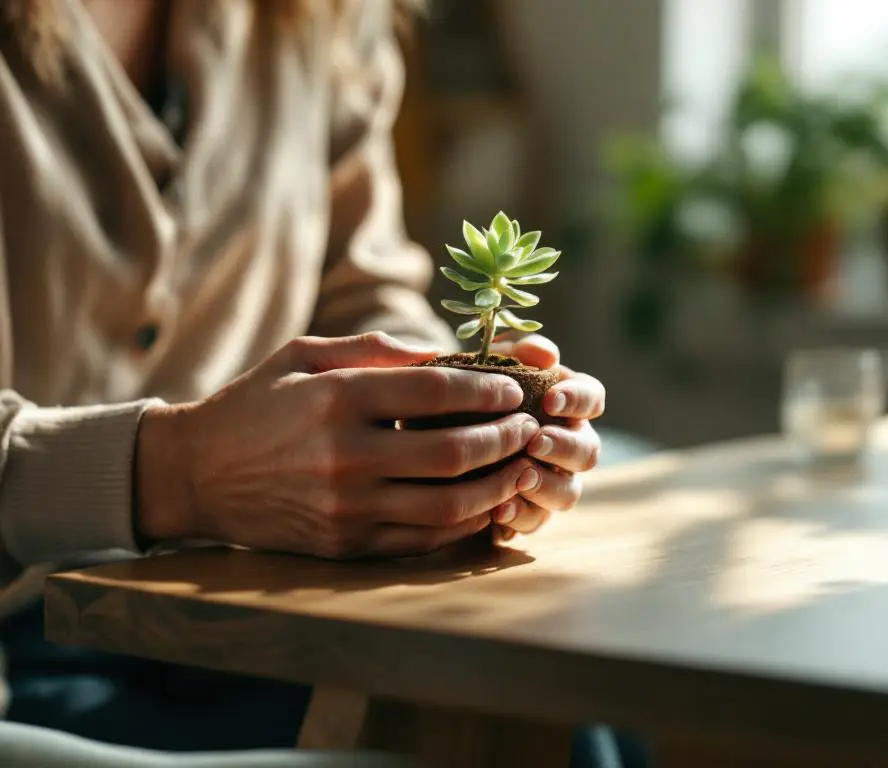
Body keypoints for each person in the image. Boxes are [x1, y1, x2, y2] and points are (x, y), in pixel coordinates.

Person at [0, 0, 607, 764]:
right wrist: (180, 471)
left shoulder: (317, 15)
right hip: (26, 655)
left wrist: (454, 434)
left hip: (265, 608)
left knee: (562, 702)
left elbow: (361, 288)